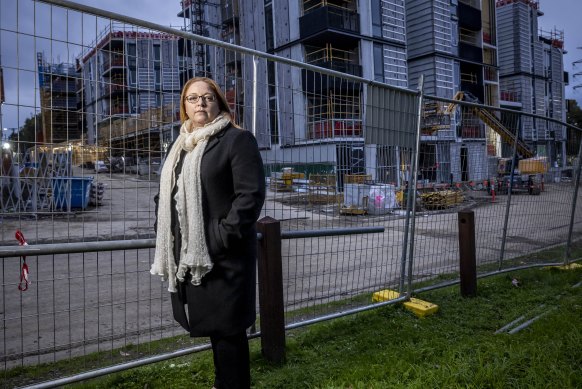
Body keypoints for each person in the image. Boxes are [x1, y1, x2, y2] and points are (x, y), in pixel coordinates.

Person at [150, 77, 266, 389]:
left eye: (207, 97)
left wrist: (220, 237)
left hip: (223, 256)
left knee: (229, 332)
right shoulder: (183, 147)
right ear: (184, 108)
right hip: (192, 255)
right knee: (217, 330)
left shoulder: (236, 139)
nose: (200, 102)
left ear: (218, 103)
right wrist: (167, 229)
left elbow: (250, 197)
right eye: (192, 98)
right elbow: (168, 194)